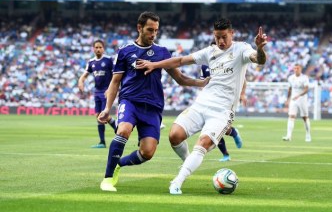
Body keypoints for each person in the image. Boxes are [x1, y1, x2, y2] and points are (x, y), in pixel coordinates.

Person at [136, 18, 267, 194]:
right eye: (217, 37)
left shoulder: (241, 49)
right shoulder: (210, 51)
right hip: (202, 104)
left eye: (224, 37)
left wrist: (259, 48)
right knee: (174, 135)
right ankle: (188, 161)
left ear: (232, 34)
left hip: (222, 111)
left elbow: (258, 60)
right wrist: (154, 65)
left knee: (203, 143)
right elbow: (181, 60)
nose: (221, 41)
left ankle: (177, 181)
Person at [97, 11, 209, 192]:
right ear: (139, 28)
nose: (153, 34)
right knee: (123, 129)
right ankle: (108, 179)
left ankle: (118, 164)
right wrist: (107, 108)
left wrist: (201, 82)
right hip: (130, 101)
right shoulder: (125, 51)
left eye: (156, 31)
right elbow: (115, 81)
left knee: (147, 152)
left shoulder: (162, 52)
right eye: (150, 30)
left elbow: (179, 78)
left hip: (153, 107)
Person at [201, 65, 244, 162]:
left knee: (221, 127)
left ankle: (233, 132)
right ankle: (226, 155)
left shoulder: (227, 61)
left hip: (226, 99)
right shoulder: (204, 65)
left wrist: (243, 94)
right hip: (210, 100)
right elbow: (203, 83)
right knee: (213, 129)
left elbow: (242, 79)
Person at [78, 39, 117, 148]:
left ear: (103, 49)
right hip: (97, 92)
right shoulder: (91, 62)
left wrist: (110, 89)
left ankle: (118, 130)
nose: (98, 49)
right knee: (97, 116)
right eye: (96, 47)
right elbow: (85, 74)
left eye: (100, 47)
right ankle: (102, 142)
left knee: (104, 115)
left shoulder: (109, 60)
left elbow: (115, 76)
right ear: (93, 49)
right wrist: (80, 81)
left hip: (106, 91)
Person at [282, 64, 311, 142]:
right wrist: (288, 99)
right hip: (293, 100)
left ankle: (308, 134)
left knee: (304, 117)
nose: (296, 70)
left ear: (300, 69)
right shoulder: (291, 78)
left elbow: (306, 89)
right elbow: (290, 89)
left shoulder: (304, 78)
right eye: (295, 68)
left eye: (297, 68)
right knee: (291, 116)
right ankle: (288, 136)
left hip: (302, 99)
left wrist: (299, 96)